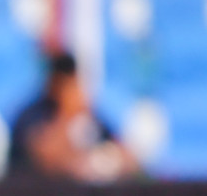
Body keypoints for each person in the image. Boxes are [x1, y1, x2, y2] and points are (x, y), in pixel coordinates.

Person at [7, 51, 138, 182]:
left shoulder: (89, 114)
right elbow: (45, 160)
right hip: (34, 194)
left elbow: (127, 157)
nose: (78, 90)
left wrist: (107, 162)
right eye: (71, 85)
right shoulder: (34, 113)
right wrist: (67, 114)